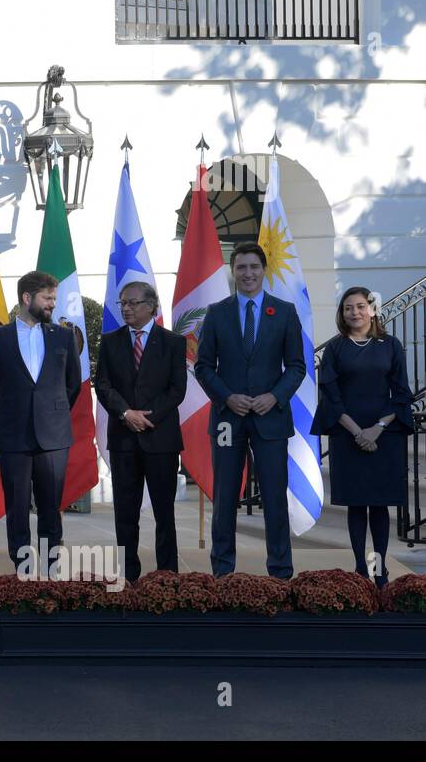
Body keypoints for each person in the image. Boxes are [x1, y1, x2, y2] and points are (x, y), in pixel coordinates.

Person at [194, 242, 305, 579]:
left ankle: (281, 572)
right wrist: (227, 397)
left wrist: (275, 396)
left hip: (271, 419)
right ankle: (223, 572)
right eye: (241, 267)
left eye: (254, 267)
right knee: (225, 499)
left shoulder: (284, 312)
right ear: (233, 270)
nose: (248, 274)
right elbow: (203, 366)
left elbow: (297, 367)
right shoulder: (217, 312)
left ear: (264, 270)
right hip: (229, 420)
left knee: (274, 499)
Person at [0, 271, 81, 572]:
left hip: (54, 439)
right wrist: (16, 412)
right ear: (27, 298)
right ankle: (23, 574)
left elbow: (72, 385)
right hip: (14, 439)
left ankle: (51, 570)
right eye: (47, 298)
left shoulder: (63, 336)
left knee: (51, 510)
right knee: (17, 510)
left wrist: (50, 413)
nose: (52, 304)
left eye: (54, 298)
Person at [311, 286, 412, 588]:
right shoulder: (335, 349)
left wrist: (376, 428)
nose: (354, 312)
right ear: (342, 314)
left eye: (359, 306)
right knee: (357, 504)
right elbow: (330, 396)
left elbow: (402, 393)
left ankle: (379, 570)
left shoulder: (391, 345)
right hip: (348, 434)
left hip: (384, 435)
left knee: (379, 505)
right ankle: (359, 569)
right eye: (347, 308)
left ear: (372, 309)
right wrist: (357, 432)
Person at [94, 281, 187, 581]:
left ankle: (167, 576)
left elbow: (177, 390)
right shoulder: (110, 341)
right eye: (123, 303)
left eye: (132, 303)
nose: (126, 309)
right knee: (125, 513)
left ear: (151, 305)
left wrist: (147, 418)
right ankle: (128, 576)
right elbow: (103, 385)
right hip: (123, 440)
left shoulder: (172, 342)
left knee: (164, 513)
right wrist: (125, 413)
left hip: (160, 439)